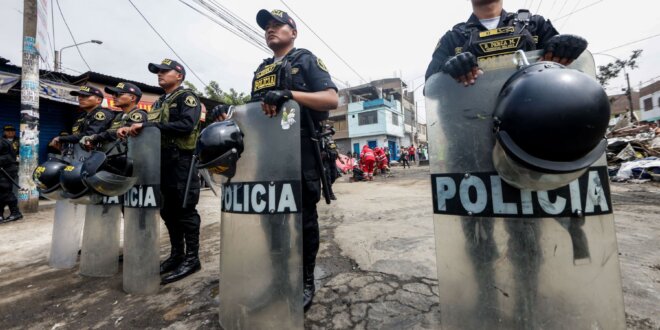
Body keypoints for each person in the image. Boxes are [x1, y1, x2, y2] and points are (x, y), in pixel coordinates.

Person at [252, 8, 338, 311]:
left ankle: (304, 280)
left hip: (301, 150)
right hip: (267, 154)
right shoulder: (261, 70)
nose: (271, 30)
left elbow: (331, 99)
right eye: (267, 27)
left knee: (302, 220)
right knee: (271, 221)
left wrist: (289, 94)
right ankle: (278, 279)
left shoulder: (305, 59)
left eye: (278, 25)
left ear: (293, 32)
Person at [126, 58, 203, 284]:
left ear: (179, 75)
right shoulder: (159, 103)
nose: (159, 74)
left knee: (185, 210)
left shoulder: (186, 97)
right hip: (162, 162)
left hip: (181, 162)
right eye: (157, 72)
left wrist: (149, 126)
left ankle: (192, 258)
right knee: (168, 211)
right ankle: (177, 254)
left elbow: (186, 126)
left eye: (164, 71)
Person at [424, 0, 588, 86]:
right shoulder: (453, 38)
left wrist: (567, 47)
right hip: (475, 131)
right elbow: (430, 87)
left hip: (538, 126)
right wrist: (448, 66)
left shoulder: (535, 25)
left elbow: (568, 74)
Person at [81, 82, 146, 148]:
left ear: (132, 98)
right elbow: (109, 132)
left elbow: (121, 133)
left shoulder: (139, 114)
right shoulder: (119, 116)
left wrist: (95, 137)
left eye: (118, 94)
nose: (113, 96)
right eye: (113, 94)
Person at [49, 85, 114, 149]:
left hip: (97, 155)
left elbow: (90, 135)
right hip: (81, 154)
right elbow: (76, 135)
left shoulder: (102, 114)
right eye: (79, 96)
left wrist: (61, 139)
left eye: (85, 96)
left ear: (98, 100)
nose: (80, 98)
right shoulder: (82, 116)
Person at [0, 125, 22, 223]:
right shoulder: (2, 140)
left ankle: (15, 213)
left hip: (7, 170)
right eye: (7, 131)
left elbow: (9, 157)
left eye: (11, 131)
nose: (9, 132)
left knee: (5, 191)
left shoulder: (4, 142)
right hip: (5, 169)